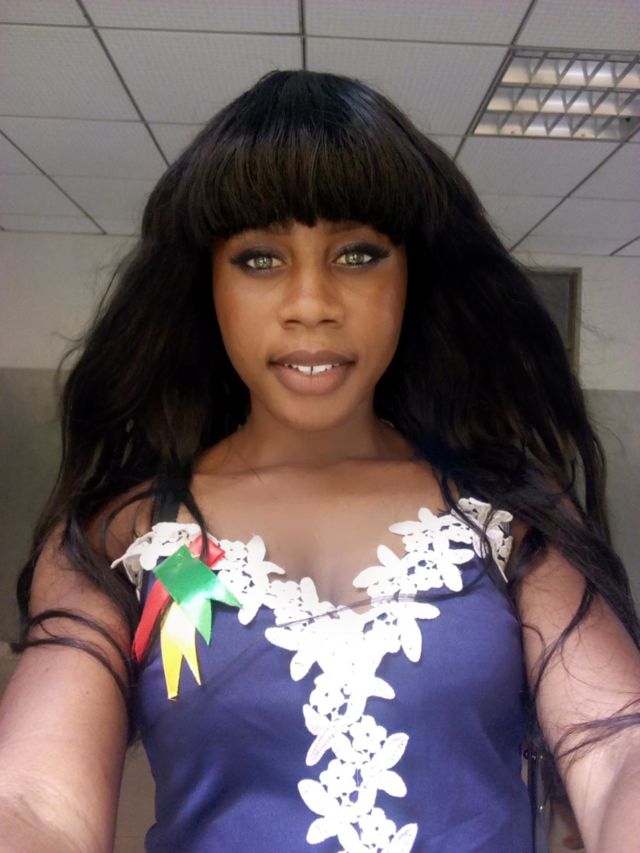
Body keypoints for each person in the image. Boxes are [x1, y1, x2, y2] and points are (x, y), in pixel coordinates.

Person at [0, 68, 639, 853]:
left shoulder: (509, 514)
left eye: (359, 254)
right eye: (260, 258)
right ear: (208, 282)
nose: (312, 303)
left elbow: (617, 747)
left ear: (410, 278)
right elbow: (34, 798)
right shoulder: (127, 532)